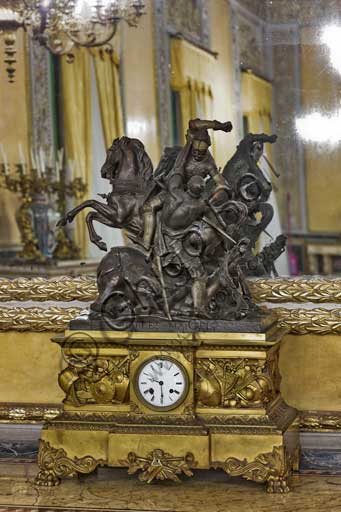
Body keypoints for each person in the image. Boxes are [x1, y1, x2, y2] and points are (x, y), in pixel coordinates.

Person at [142, 118, 233, 251]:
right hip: (174, 191)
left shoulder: (208, 162)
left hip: (193, 198)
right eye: (195, 150)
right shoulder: (185, 152)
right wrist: (218, 126)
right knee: (148, 207)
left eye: (201, 152)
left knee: (216, 224)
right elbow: (194, 123)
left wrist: (219, 191)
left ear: (207, 149)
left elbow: (220, 181)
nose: (197, 154)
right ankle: (146, 245)